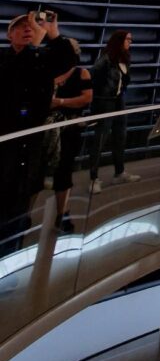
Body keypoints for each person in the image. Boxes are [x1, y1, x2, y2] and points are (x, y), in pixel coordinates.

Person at [1, 12, 76, 253]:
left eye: (32, 26)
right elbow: (13, 75)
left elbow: (67, 61)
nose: (28, 29)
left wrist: (54, 34)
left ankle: (7, 261)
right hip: (5, 138)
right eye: (20, 26)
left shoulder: (42, 58)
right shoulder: (5, 58)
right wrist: (35, 47)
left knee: (19, 206)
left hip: (28, 144)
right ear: (9, 34)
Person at [88, 31, 141, 193]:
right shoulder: (105, 59)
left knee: (120, 136)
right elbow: (94, 79)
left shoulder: (125, 59)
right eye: (128, 39)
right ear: (119, 40)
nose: (130, 42)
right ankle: (93, 178)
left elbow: (124, 81)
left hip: (118, 100)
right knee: (100, 139)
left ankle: (119, 172)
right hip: (104, 102)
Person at [50, 39, 92, 232]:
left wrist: (60, 101)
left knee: (64, 169)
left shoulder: (80, 73)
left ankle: (62, 212)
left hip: (68, 128)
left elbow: (86, 98)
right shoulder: (47, 71)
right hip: (47, 127)